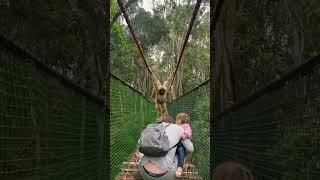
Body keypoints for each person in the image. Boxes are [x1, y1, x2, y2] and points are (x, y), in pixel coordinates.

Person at [138, 115, 194, 180]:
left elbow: (139, 142)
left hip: (143, 171)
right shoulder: (177, 128)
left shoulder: (151, 127)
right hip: (166, 175)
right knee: (180, 150)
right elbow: (190, 149)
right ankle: (180, 168)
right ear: (172, 123)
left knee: (145, 149)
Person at [175, 113, 192, 177]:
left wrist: (183, 136)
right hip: (174, 143)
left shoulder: (186, 126)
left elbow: (188, 133)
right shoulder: (175, 126)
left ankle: (180, 168)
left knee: (181, 151)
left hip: (181, 144)